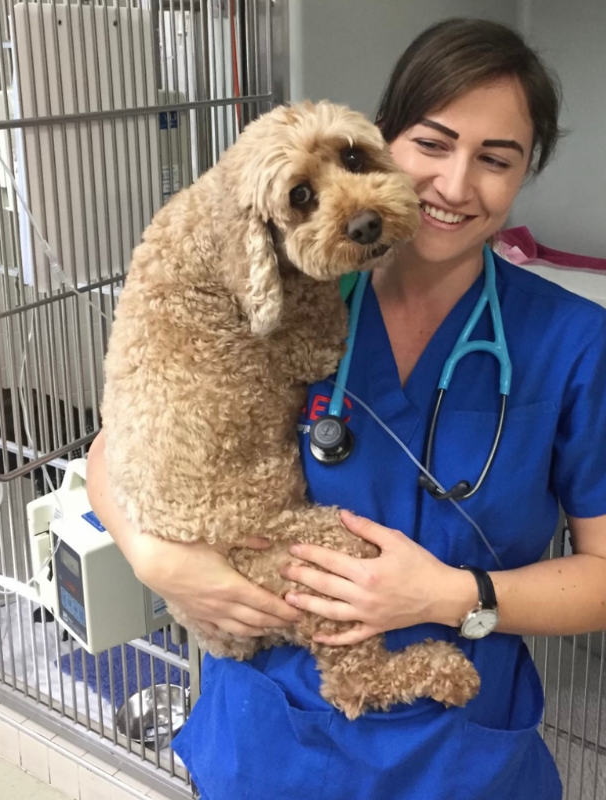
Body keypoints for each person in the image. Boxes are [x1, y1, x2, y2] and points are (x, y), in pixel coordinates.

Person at [86, 17, 606, 800]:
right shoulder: (293, 295)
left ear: (526, 170)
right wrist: (157, 560)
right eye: (432, 145)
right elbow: (118, 445)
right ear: (384, 141)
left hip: (456, 753)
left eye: (495, 160)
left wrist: (453, 596)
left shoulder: (573, 343)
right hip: (270, 737)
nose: (457, 185)